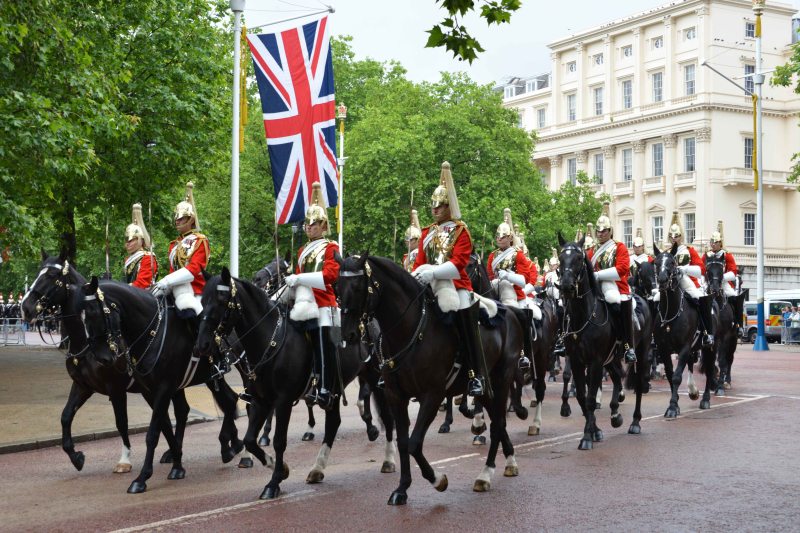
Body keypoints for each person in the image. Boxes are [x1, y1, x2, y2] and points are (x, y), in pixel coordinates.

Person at [412, 162, 486, 397]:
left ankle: (475, 375)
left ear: (448, 205)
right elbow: (418, 262)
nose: (435, 209)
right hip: (428, 285)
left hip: (456, 285)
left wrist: (432, 272)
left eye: (440, 205)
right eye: (433, 205)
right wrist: (416, 275)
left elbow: (458, 265)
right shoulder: (426, 233)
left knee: (466, 317)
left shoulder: (461, 231)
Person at [284, 182, 341, 410]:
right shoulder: (301, 250)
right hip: (303, 302)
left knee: (322, 342)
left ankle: (325, 387)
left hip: (324, 303)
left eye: (314, 223)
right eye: (307, 223)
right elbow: (298, 276)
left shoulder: (331, 247)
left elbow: (329, 276)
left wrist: (299, 279)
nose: (309, 227)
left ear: (324, 225)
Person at [487, 209, 539, 370]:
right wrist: (495, 279)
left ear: (510, 238)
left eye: (502, 236)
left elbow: (523, 281)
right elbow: (489, 276)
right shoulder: (492, 256)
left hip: (515, 295)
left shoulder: (518, 255)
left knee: (524, 318)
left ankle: (523, 354)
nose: (499, 238)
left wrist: (507, 276)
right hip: (495, 293)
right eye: (497, 236)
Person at [586, 202, 636, 363]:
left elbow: (622, 269)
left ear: (610, 231)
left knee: (614, 300)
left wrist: (598, 275)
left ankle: (626, 345)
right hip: (594, 286)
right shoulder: (591, 251)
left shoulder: (619, 247)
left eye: (604, 231)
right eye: (598, 231)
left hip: (613, 285)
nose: (600, 234)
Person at [152, 182, 209, 319]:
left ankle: (200, 336)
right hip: (174, 287)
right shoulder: (174, 245)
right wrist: (162, 285)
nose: (177, 221)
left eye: (181, 218)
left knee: (188, 309)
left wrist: (167, 281)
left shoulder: (200, 240)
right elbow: (173, 271)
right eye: (176, 218)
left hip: (195, 290)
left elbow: (194, 269)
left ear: (190, 219)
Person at [667, 211, 713, 346]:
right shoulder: (666, 252)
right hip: (669, 283)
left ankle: (706, 333)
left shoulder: (689, 250)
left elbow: (701, 270)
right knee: (654, 300)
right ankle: (653, 334)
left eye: (676, 235)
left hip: (686, 281)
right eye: (671, 235)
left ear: (681, 236)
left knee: (700, 299)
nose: (674, 238)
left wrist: (684, 269)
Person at [124, 203, 158, 289]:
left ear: (140, 240)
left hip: (145, 295)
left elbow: (143, 283)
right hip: (130, 293)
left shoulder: (147, 258)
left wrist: (121, 289)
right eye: (126, 240)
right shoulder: (128, 259)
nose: (127, 243)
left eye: (131, 240)